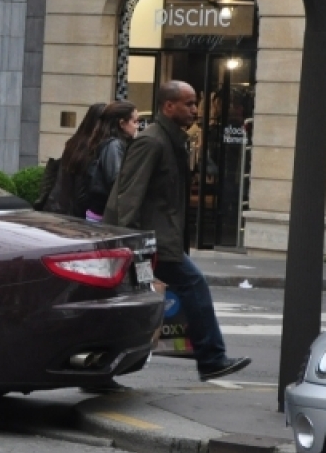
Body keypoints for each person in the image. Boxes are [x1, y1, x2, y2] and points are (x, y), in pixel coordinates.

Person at [104, 80, 251, 382]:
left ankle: (101, 369)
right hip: (152, 240)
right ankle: (211, 359)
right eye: (188, 103)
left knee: (127, 303)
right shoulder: (152, 142)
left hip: (161, 237)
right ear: (168, 106)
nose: (195, 110)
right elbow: (128, 195)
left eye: (195, 103)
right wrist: (130, 243)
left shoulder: (172, 140)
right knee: (193, 284)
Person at [39, 102, 105, 215]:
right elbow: (81, 194)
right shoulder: (93, 149)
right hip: (75, 215)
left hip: (58, 208)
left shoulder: (74, 143)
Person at [80, 100, 139, 221]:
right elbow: (116, 181)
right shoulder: (114, 145)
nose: (137, 126)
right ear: (122, 123)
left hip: (99, 214)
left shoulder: (111, 142)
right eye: (135, 122)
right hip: (103, 216)